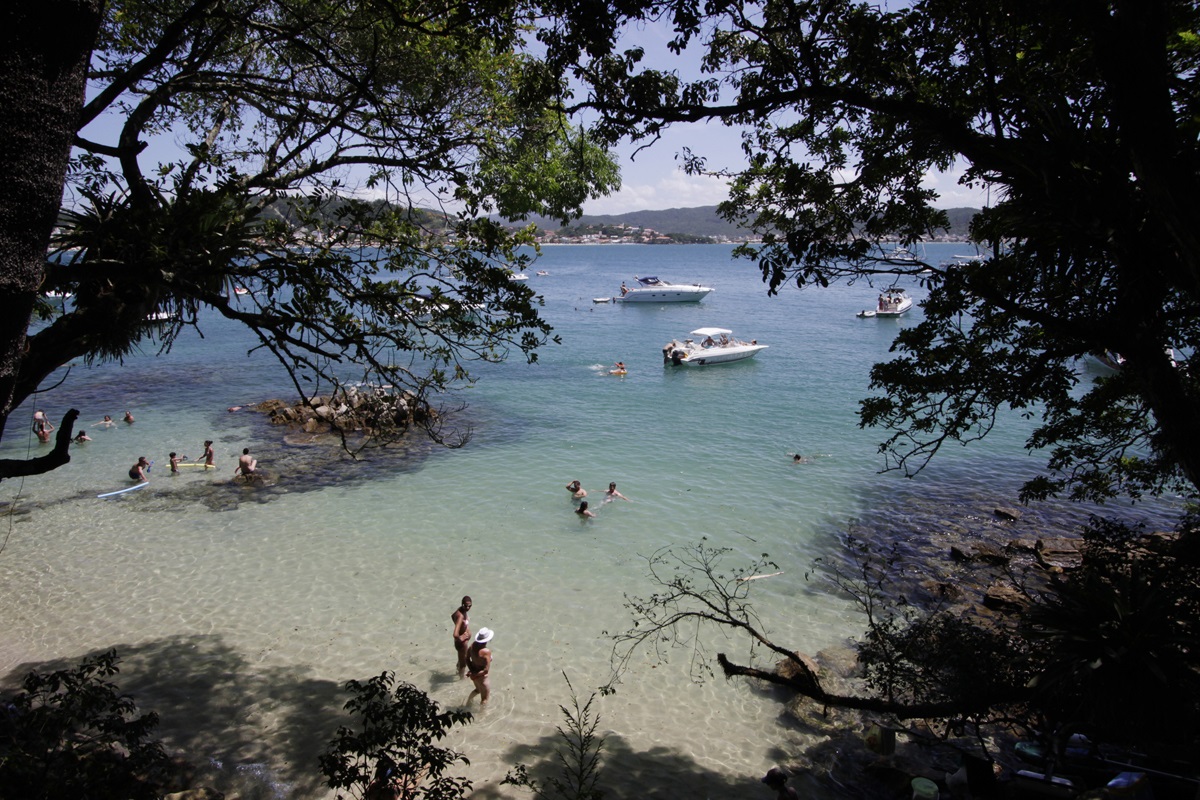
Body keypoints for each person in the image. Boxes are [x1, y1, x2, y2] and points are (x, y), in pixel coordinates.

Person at [467, 627, 494, 705]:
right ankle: (482, 715)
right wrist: (476, 675)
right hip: (482, 678)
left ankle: (468, 703)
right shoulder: (486, 652)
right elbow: (486, 670)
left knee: (477, 690)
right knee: (484, 699)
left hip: (474, 675)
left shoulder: (472, 645)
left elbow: (467, 658)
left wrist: (472, 672)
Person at [451, 596, 473, 678]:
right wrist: (461, 637)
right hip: (462, 643)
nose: (467, 608)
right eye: (465, 605)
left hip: (461, 643)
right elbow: (455, 634)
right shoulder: (460, 616)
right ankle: (461, 680)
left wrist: (465, 628)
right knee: (463, 664)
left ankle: (457, 673)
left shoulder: (461, 610)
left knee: (461, 660)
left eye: (469, 606)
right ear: (462, 604)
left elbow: (452, 616)